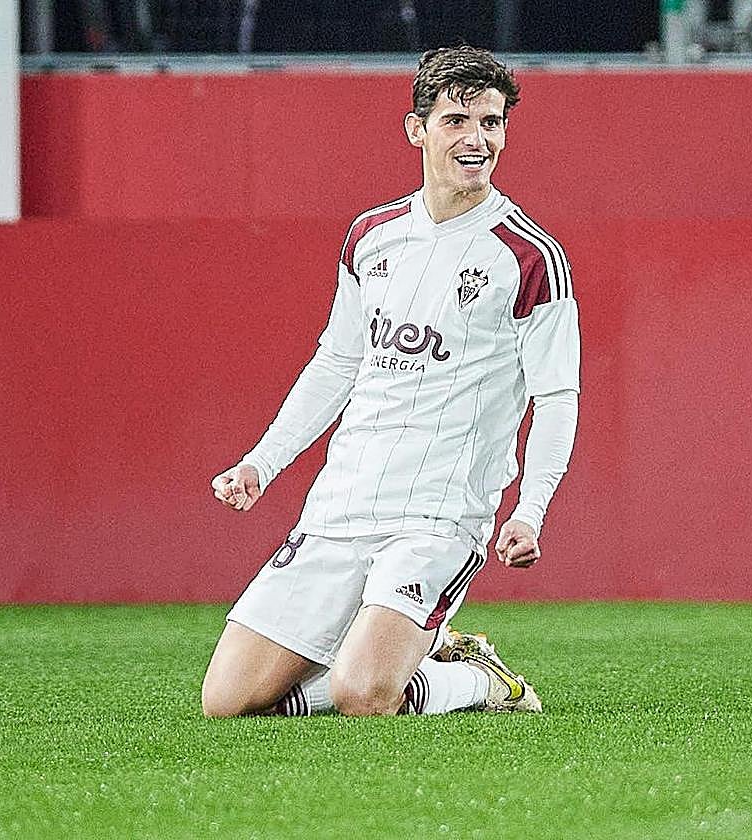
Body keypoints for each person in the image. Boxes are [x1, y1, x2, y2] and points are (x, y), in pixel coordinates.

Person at [201, 45, 580, 718]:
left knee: (362, 694)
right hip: (341, 504)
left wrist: (530, 508)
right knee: (228, 701)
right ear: (418, 130)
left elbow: (556, 396)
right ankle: (420, 649)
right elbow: (339, 363)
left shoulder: (529, 256)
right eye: (458, 120)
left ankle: (485, 682)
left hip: (438, 515)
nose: (477, 139)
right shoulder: (371, 236)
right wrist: (263, 462)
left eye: (491, 123)